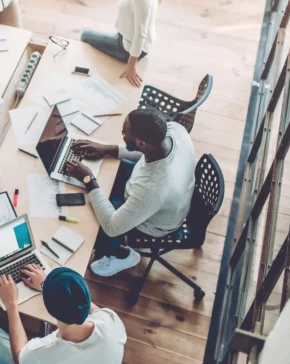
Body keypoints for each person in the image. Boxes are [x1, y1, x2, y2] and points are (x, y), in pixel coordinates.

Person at [66, 108, 195, 277]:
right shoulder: (174, 130)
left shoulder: (154, 187)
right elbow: (144, 154)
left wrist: (88, 179)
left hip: (153, 224)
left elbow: (113, 227)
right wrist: (107, 149)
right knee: (103, 182)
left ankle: (122, 254)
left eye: (124, 133)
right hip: (151, 190)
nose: (122, 134)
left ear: (141, 143)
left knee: (92, 222)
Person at [0, 266, 126, 363]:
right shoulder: (110, 320)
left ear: (49, 307)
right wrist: (46, 286)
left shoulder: (43, 353)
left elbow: (20, 356)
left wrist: (11, 304)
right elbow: (83, 303)